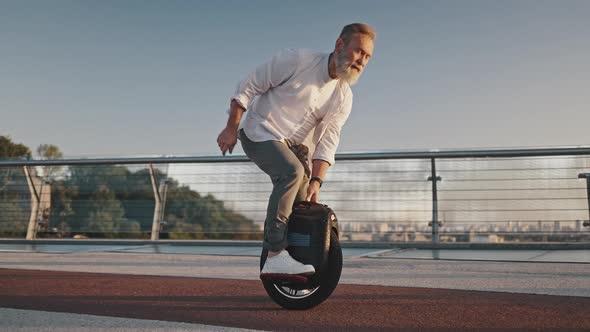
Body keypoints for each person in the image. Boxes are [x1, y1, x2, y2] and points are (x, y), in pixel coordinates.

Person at [217, 23, 375, 276]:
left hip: (296, 147)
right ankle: (275, 254)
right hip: (260, 131)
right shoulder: (299, 60)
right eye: (358, 51)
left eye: (367, 56)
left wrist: (316, 181)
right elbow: (249, 85)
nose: (362, 61)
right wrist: (230, 127)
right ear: (339, 45)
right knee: (290, 172)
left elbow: (328, 140)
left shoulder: (343, 96)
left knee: (302, 206)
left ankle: (294, 264)